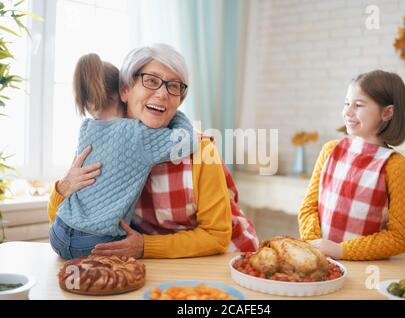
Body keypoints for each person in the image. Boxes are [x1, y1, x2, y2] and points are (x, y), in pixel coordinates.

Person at [48, 44, 259, 259]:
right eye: (150, 81)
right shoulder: (104, 141)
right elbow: (65, 220)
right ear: (125, 90)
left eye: (174, 86)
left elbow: (216, 236)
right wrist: (63, 187)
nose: (162, 94)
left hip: (223, 261)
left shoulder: (202, 151)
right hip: (155, 265)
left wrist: (144, 247)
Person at [49, 53, 197, 259]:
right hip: (95, 243)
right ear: (123, 92)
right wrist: (173, 110)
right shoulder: (137, 134)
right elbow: (187, 141)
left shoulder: (86, 129)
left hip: (58, 233)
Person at [299, 70, 405, 261]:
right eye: (346, 103)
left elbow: (401, 237)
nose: (347, 111)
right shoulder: (330, 150)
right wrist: (317, 246)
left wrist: (341, 250)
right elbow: (308, 208)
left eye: (358, 105)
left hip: (366, 270)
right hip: (322, 261)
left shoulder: (397, 167)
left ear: (387, 112)